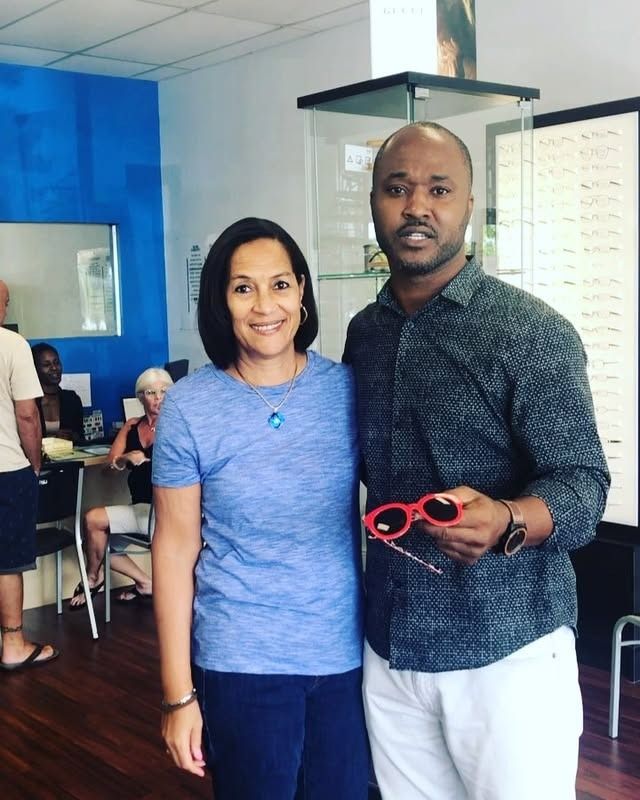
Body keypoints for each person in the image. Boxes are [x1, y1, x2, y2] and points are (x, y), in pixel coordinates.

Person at [343, 122, 610, 800]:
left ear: (469, 205)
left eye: (439, 190)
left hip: (507, 650)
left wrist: (507, 519)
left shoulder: (530, 331)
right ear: (374, 204)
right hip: (392, 647)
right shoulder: (365, 334)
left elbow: (584, 486)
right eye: (397, 189)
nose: (416, 207)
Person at [152, 217, 368, 800]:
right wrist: (177, 695)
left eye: (280, 284)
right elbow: (173, 550)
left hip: (343, 655)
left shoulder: (347, 390)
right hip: (240, 661)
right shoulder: (190, 407)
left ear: (302, 292)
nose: (264, 305)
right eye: (243, 287)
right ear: (221, 301)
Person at [69, 367, 173, 608]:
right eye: (151, 392)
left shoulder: (177, 426)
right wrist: (125, 458)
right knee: (93, 530)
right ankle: (140, 582)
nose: (158, 398)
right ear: (140, 397)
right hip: (141, 509)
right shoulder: (132, 427)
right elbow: (108, 469)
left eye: (164, 392)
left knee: (98, 538)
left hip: (165, 513)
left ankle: (94, 578)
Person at [0, 279, 59, 670]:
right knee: (7, 561)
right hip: (6, 469)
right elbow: (27, 415)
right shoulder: (12, 344)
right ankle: (13, 645)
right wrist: (35, 462)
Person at [31, 342, 84, 443]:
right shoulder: (30, 402)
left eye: (56, 363)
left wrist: (72, 436)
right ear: (35, 369)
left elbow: (81, 437)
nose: (54, 368)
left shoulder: (72, 399)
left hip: (69, 453)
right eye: (46, 365)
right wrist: (53, 440)